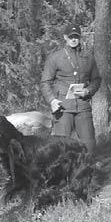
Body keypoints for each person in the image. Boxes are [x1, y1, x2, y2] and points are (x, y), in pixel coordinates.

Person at [40, 23, 101, 154]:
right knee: (60, 147)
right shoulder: (55, 57)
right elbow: (45, 82)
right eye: (71, 37)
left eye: (76, 37)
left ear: (80, 38)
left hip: (83, 106)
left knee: (89, 145)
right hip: (62, 108)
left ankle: (88, 172)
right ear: (65, 37)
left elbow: (96, 80)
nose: (74, 39)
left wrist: (88, 91)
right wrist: (52, 101)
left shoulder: (88, 57)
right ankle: (61, 174)